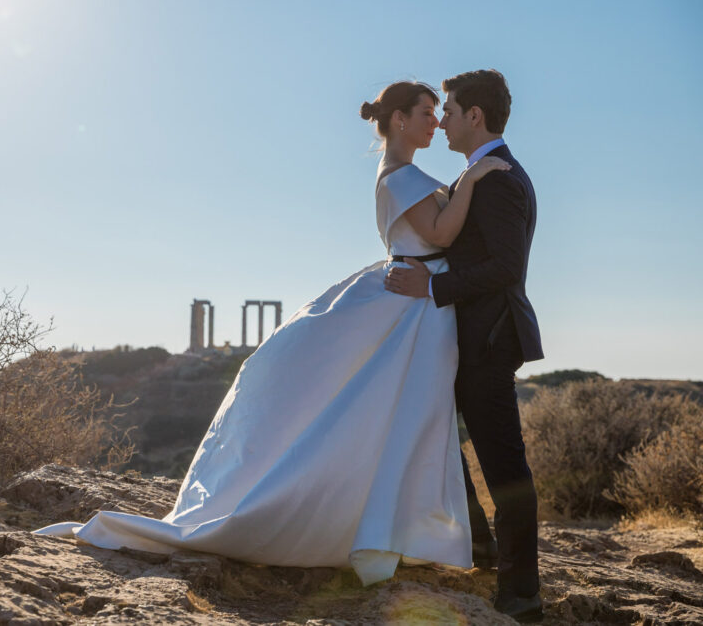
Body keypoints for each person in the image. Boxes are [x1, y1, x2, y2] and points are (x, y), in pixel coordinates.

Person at [35, 80, 508, 587]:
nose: (435, 121)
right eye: (426, 112)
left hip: (417, 298)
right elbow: (439, 235)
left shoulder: (406, 174)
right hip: (414, 305)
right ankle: (445, 534)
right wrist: (475, 177)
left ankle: (453, 533)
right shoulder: (400, 178)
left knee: (409, 415)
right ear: (398, 120)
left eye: (440, 113)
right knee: (403, 413)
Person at [385, 69, 543, 623]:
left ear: (475, 115)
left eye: (448, 110)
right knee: (430, 430)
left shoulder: (498, 178)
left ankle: (522, 592)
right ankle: (478, 544)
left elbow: (506, 267)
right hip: (457, 337)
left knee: (506, 470)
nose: (443, 120)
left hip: (488, 340)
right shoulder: (479, 173)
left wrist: (432, 286)